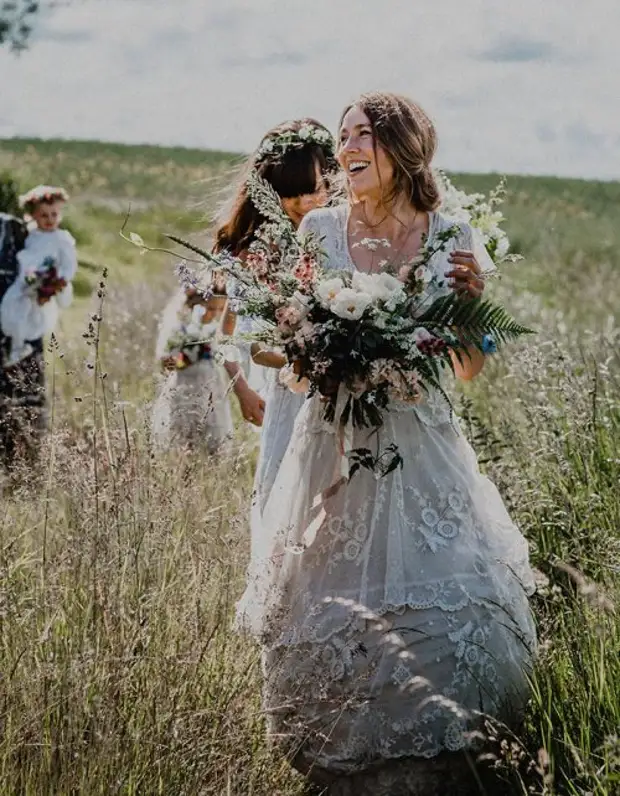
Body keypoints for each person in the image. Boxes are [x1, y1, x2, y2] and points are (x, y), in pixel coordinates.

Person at [236, 93, 537, 795]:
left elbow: (468, 367)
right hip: (334, 446)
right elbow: (288, 352)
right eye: (342, 136)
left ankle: (446, 755)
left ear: (402, 145)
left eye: (363, 134)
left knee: (443, 587)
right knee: (329, 593)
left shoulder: (451, 234)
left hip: (420, 440)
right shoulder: (319, 234)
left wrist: (466, 313)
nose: (347, 148)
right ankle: (339, 755)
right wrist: (320, 351)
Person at [213, 117, 339, 511]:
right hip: (292, 397)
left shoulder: (344, 237)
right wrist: (241, 388)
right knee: (289, 511)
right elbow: (234, 335)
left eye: (314, 190)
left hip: (346, 398)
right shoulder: (252, 252)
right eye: (290, 193)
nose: (304, 203)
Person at [151, 283, 233, 454]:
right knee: (182, 430)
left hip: (210, 385)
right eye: (210, 308)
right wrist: (183, 358)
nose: (215, 314)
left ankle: (211, 465)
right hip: (184, 383)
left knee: (213, 429)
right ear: (196, 306)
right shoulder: (180, 329)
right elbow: (166, 361)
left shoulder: (216, 330)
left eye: (220, 310)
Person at [0, 185, 77, 368]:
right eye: (44, 215)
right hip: (24, 282)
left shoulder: (61, 239)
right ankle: (16, 347)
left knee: (28, 317)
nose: (50, 220)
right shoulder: (31, 235)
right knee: (9, 311)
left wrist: (55, 282)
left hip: (43, 285)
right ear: (33, 215)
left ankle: (21, 349)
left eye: (54, 214)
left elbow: (68, 265)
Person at [0, 196, 47, 469]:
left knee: (21, 400)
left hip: (18, 330)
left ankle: (22, 465)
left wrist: (45, 288)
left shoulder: (14, 229)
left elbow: (41, 265)